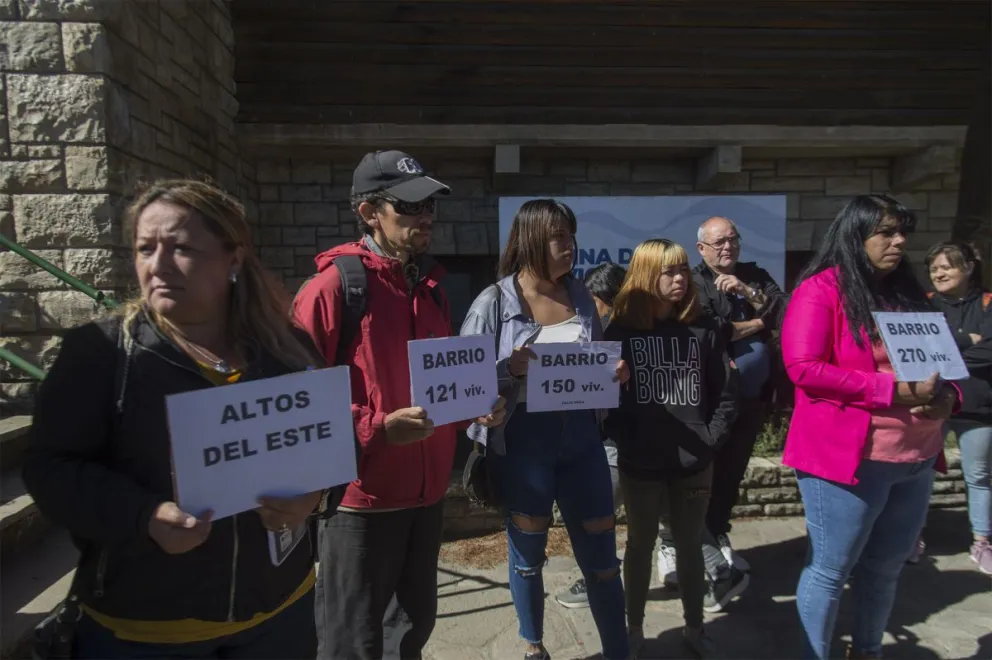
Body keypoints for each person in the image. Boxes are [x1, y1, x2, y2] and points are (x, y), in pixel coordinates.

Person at [22, 179, 338, 659]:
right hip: (145, 634)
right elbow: (50, 468)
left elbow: (331, 446)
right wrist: (143, 516)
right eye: (145, 249)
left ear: (233, 259)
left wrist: (314, 495)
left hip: (279, 618)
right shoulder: (102, 354)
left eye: (182, 248)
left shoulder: (287, 350)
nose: (158, 265)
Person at [292, 150, 505, 660]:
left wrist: (476, 403)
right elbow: (295, 401)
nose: (426, 215)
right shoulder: (331, 288)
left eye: (430, 203)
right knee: (351, 643)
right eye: (410, 206)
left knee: (411, 631)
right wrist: (376, 428)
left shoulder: (432, 287)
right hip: (360, 504)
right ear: (369, 213)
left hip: (427, 499)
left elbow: (442, 382)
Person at [781, 194, 962, 660]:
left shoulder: (907, 295)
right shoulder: (820, 291)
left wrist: (947, 399)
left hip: (915, 458)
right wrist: (891, 393)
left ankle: (867, 652)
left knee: (885, 569)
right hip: (851, 460)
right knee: (830, 570)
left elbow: (947, 367)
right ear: (855, 236)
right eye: (886, 232)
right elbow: (803, 367)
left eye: (903, 231)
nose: (899, 241)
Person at [460, 199, 629, 660]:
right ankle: (533, 646)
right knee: (529, 557)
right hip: (524, 446)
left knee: (603, 559)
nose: (569, 246)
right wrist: (505, 370)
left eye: (571, 236)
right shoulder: (493, 302)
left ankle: (620, 651)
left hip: (581, 443)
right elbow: (465, 388)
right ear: (532, 240)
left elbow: (597, 367)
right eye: (559, 237)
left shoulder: (580, 297)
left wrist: (613, 373)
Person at [606, 239, 738, 659]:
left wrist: (710, 439)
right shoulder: (619, 332)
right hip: (640, 463)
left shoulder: (704, 328)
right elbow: (604, 406)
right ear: (646, 275)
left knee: (690, 547)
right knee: (639, 547)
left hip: (694, 464)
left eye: (683, 269)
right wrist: (620, 408)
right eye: (669, 271)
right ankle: (634, 628)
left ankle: (695, 628)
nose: (681, 278)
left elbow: (727, 395)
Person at [655, 216, 784, 605]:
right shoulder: (692, 282)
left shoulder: (754, 275)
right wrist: (761, 322)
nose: (728, 247)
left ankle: (718, 536)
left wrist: (749, 293)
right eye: (719, 243)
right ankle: (679, 546)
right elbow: (713, 331)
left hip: (753, 400)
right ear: (702, 249)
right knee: (700, 474)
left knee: (732, 473)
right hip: (709, 403)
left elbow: (787, 312)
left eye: (733, 239)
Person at [556, 262, 627, 609]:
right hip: (626, 443)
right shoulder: (626, 331)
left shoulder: (611, 337)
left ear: (603, 299)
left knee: (595, 519)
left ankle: (599, 577)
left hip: (615, 444)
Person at [926, 240, 992, 574]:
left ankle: (982, 542)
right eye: (934, 268)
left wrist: (946, 351)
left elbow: (990, 352)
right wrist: (969, 340)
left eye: (946, 266)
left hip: (979, 409)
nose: (938, 273)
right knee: (918, 474)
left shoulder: (988, 303)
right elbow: (919, 349)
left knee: (978, 476)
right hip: (932, 403)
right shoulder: (922, 305)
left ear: (967, 267)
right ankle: (910, 538)